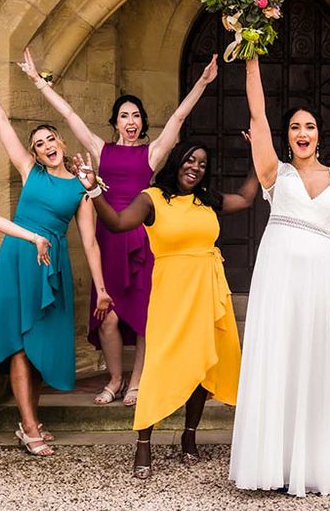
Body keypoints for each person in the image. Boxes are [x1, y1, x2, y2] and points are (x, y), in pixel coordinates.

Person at [19, 48, 219, 406]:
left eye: (137, 116)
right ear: (115, 122)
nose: (131, 120)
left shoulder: (153, 154)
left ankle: (137, 381)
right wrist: (37, 82)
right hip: (108, 241)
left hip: (143, 243)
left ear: (142, 122)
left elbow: (178, 116)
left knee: (144, 319)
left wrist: (203, 82)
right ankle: (114, 379)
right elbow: (68, 113)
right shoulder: (101, 149)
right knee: (107, 318)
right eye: (124, 115)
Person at [75, 140, 256, 478]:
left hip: (207, 291)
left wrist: (260, 156)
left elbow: (246, 198)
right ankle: (143, 443)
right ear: (177, 162)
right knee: (158, 365)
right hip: (171, 295)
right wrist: (94, 189)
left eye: (202, 163)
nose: (196, 167)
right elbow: (115, 223)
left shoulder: (207, 199)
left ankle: (189, 436)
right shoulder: (152, 198)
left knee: (204, 363)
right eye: (190, 159)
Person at [229, 58, 330, 497]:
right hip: (278, 272)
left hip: (320, 278)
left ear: (320, 134)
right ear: (288, 136)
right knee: (275, 357)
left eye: (311, 127)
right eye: (296, 127)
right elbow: (258, 115)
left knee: (312, 361)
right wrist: (250, 59)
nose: (303, 133)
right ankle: (269, 464)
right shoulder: (274, 173)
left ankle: (309, 465)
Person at [0, 75, 111, 457]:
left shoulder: (80, 188)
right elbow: (3, 128)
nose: (46, 147)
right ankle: (32, 426)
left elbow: (89, 241)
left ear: (61, 143)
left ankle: (28, 421)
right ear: (34, 154)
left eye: (50, 140)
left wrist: (101, 288)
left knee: (39, 348)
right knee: (20, 347)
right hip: (18, 258)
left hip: (51, 267)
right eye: (38, 145)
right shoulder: (29, 171)